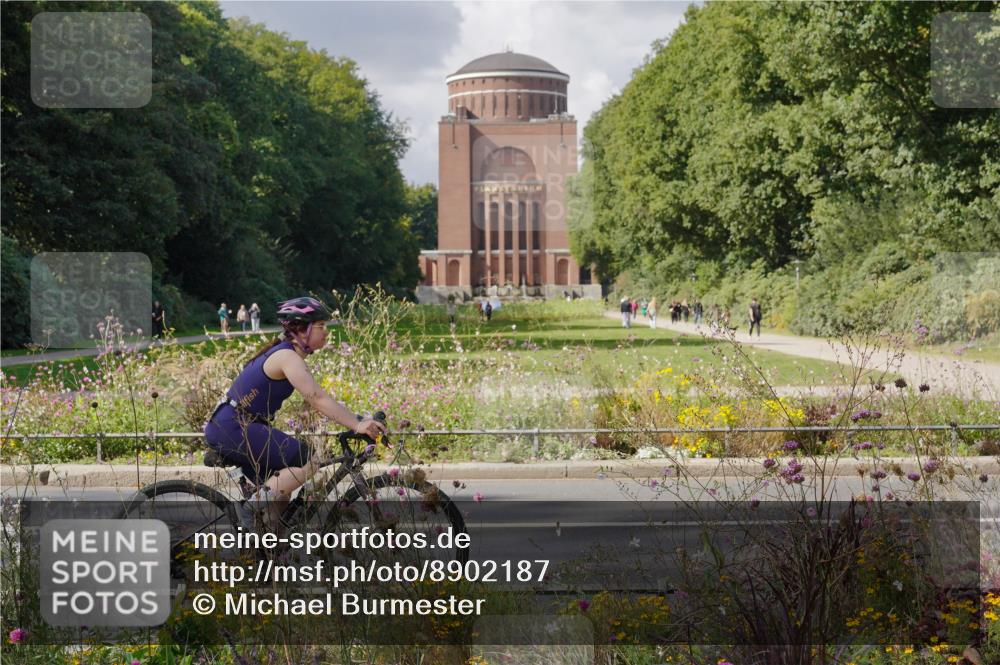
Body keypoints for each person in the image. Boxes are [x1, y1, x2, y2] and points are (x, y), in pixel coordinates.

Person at [204, 297, 386, 528]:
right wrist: (357, 425)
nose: (326, 332)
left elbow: (321, 398)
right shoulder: (286, 357)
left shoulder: (288, 354)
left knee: (280, 492)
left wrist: (359, 419)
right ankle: (248, 509)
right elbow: (316, 398)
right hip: (233, 427)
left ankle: (270, 548)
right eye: (321, 326)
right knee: (307, 461)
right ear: (303, 329)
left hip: (238, 425)